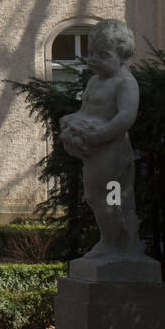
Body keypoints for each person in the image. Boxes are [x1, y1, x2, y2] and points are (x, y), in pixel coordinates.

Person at [58, 19, 144, 258]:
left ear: (122, 55)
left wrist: (98, 136)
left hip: (111, 150)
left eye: (102, 55)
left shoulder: (125, 83)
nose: (93, 59)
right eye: (91, 53)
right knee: (95, 196)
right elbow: (87, 111)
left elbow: (126, 117)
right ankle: (115, 241)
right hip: (93, 150)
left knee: (108, 194)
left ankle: (113, 242)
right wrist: (69, 120)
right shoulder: (95, 81)